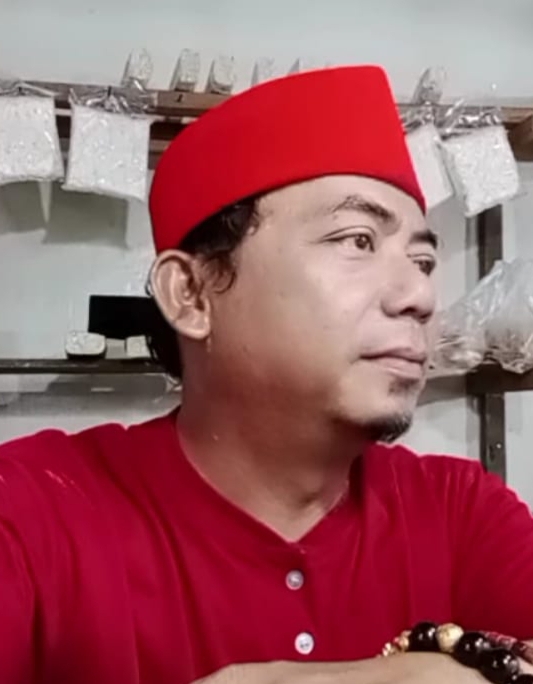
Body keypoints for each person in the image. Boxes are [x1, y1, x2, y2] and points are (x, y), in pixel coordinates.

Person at [0, 65, 532, 684]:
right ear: (191, 294)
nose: (419, 295)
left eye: (422, 260)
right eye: (357, 240)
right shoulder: (36, 512)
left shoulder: (459, 512)